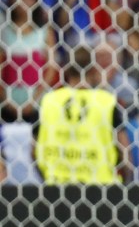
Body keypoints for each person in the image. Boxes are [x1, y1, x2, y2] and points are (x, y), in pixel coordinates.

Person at [35, 47, 131, 184]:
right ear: (93, 69)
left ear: (66, 70)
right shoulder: (105, 101)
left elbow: (34, 148)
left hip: (57, 186)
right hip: (101, 189)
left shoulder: (49, 101)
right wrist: (126, 184)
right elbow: (124, 149)